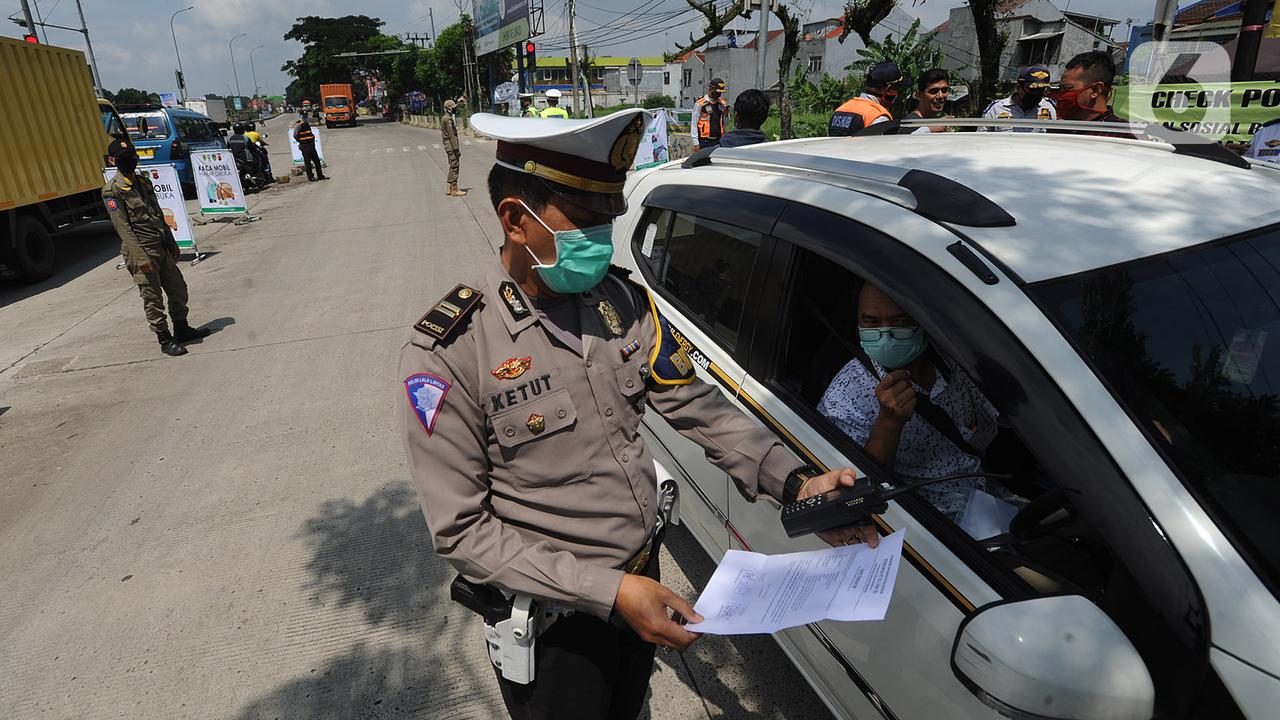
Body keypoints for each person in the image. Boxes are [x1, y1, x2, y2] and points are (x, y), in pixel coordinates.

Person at [398, 109, 875, 720]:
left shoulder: (620, 302)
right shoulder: (450, 352)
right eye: (587, 224)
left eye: (608, 221)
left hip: (641, 581)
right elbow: (461, 531)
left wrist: (796, 482)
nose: (602, 240)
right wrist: (611, 591)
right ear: (517, 220)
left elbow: (693, 403)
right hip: (557, 618)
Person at [818, 282, 1002, 519]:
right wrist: (889, 424)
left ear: (921, 320)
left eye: (901, 321)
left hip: (989, 493)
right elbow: (856, 493)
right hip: (936, 522)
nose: (887, 334)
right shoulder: (844, 398)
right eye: (872, 322)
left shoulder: (953, 356)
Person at [102, 140, 211, 357]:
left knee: (178, 288)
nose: (130, 162)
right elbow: (123, 227)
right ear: (112, 161)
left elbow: (158, 215)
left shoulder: (143, 182)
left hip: (161, 246)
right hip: (142, 250)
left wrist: (171, 242)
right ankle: (164, 338)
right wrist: (141, 257)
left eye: (132, 157)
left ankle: (181, 328)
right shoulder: (112, 191)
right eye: (123, 159)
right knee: (152, 298)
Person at [1049, 51, 1133, 138]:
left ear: (1095, 90)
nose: (1060, 95)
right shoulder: (1057, 129)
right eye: (1060, 89)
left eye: (1067, 88)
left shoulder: (1122, 135)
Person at [829, 62, 904, 136]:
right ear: (889, 90)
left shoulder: (839, 110)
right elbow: (881, 147)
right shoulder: (878, 117)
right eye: (898, 90)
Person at [979, 66, 1055, 132]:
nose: (1036, 94)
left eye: (1041, 90)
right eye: (1033, 90)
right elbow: (981, 137)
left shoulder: (1049, 107)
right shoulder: (996, 108)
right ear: (1018, 88)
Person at [904, 68, 953, 134]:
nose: (940, 96)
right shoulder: (910, 124)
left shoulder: (937, 123)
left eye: (944, 90)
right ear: (919, 94)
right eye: (933, 91)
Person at [690, 78, 728, 149]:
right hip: (704, 141)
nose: (719, 95)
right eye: (717, 92)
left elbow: (725, 124)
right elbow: (694, 124)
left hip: (719, 140)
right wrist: (695, 142)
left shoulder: (722, 103)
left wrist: (726, 115)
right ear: (710, 89)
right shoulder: (700, 104)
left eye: (720, 93)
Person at [442, 98, 467, 197]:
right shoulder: (448, 119)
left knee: (452, 165)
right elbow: (452, 135)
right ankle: (454, 189)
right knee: (455, 166)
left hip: (449, 146)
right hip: (451, 147)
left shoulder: (446, 117)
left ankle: (449, 187)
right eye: (453, 108)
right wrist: (456, 149)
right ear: (448, 108)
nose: (454, 109)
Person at [293, 118, 327, 182]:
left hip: (311, 145)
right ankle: (310, 177)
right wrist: (301, 141)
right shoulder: (298, 125)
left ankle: (320, 175)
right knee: (308, 163)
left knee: (317, 161)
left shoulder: (307, 124)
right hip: (304, 145)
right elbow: (295, 135)